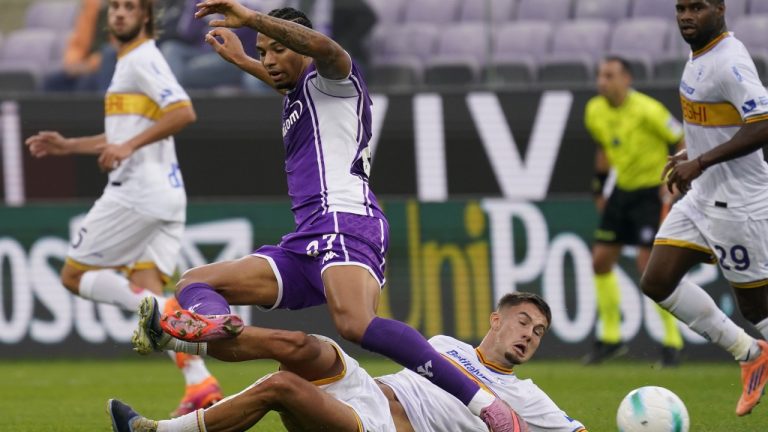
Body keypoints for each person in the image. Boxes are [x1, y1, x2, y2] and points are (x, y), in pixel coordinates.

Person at [137, 2, 526, 430]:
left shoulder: (337, 79)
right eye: (263, 51)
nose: (269, 59)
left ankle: (487, 405)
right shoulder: (300, 95)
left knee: (355, 324)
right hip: (307, 238)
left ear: (302, 49)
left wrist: (250, 19)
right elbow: (284, 76)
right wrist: (244, 60)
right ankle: (215, 324)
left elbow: (325, 49)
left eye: (278, 49)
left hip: (346, 219)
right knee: (196, 281)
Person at [25, 0, 222, 417]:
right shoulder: (127, 62)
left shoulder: (142, 59)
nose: (118, 13)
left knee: (74, 276)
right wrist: (69, 146)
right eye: (114, 6)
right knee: (146, 285)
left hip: (137, 193)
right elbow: (121, 136)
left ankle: (164, 313)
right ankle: (200, 383)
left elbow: (183, 111)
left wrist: (128, 146)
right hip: (166, 195)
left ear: (145, 16)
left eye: (129, 6)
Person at [109, 292, 586, 432]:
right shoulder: (445, 344)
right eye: (523, 322)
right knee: (300, 346)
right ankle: (188, 339)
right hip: (364, 388)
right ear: (496, 320)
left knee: (281, 388)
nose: (529, 335)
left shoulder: (528, 398)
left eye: (539, 332)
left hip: (381, 427)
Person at [641, 0, 768, 417]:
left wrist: (701, 162)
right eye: (681, 8)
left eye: (697, 8)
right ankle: (749, 353)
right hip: (702, 197)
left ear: (720, 8)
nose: (686, 16)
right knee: (657, 281)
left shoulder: (730, 61)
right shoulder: (699, 55)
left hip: (739, 204)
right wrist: (692, 152)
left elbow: (763, 122)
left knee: (757, 309)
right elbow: (716, 121)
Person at [583, 56, 686, 366]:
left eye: (609, 76)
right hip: (621, 191)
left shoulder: (648, 110)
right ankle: (611, 338)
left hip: (650, 194)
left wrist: (675, 179)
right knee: (600, 261)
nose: (602, 82)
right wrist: (599, 186)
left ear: (626, 79)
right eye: (600, 75)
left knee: (648, 266)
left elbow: (680, 137)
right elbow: (604, 148)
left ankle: (672, 342)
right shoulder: (594, 110)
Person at [44, 0, 117, 92]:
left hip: (105, 66)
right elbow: (78, 42)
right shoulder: (91, 6)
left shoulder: (122, 9)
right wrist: (72, 63)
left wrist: (88, 66)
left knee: (86, 82)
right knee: (51, 81)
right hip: (83, 65)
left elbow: (116, 48)